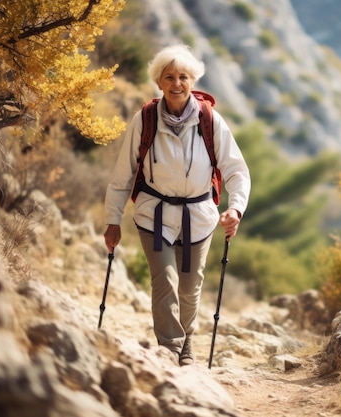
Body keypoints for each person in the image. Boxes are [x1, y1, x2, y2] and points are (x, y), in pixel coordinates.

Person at [103, 44, 251, 366]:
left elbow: (237, 171)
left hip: (198, 217)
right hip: (153, 215)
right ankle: (170, 348)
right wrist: (112, 220)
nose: (177, 83)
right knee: (164, 279)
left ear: (193, 81)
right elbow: (123, 173)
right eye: (169, 77)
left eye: (183, 76)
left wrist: (235, 208)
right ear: (159, 81)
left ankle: (187, 341)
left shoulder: (211, 121)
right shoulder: (144, 120)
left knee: (189, 286)